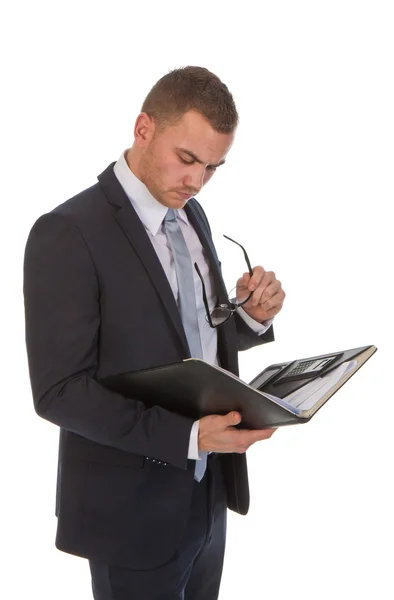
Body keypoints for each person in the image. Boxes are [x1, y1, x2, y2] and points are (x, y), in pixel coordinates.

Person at [23, 66, 286, 600]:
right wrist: (187, 437)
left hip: (210, 491)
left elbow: (193, 339)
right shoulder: (68, 232)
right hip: (131, 511)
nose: (195, 180)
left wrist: (251, 318)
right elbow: (59, 392)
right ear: (143, 128)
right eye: (187, 159)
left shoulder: (192, 217)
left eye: (213, 167)